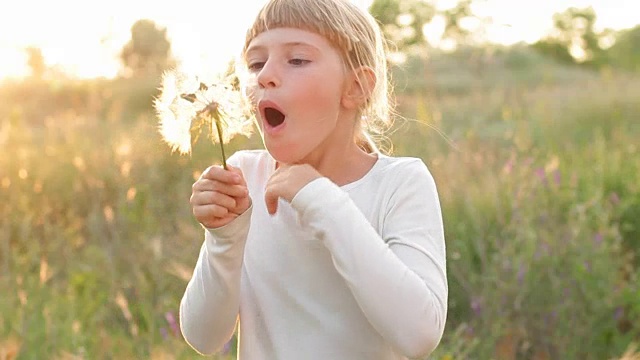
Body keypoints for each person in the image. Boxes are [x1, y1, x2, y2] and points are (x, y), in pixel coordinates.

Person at [179, 0, 448, 358]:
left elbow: (419, 334)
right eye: (256, 63)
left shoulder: (399, 184)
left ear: (356, 88)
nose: (264, 76)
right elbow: (203, 337)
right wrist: (223, 239)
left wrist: (319, 198)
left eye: (297, 60)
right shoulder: (245, 180)